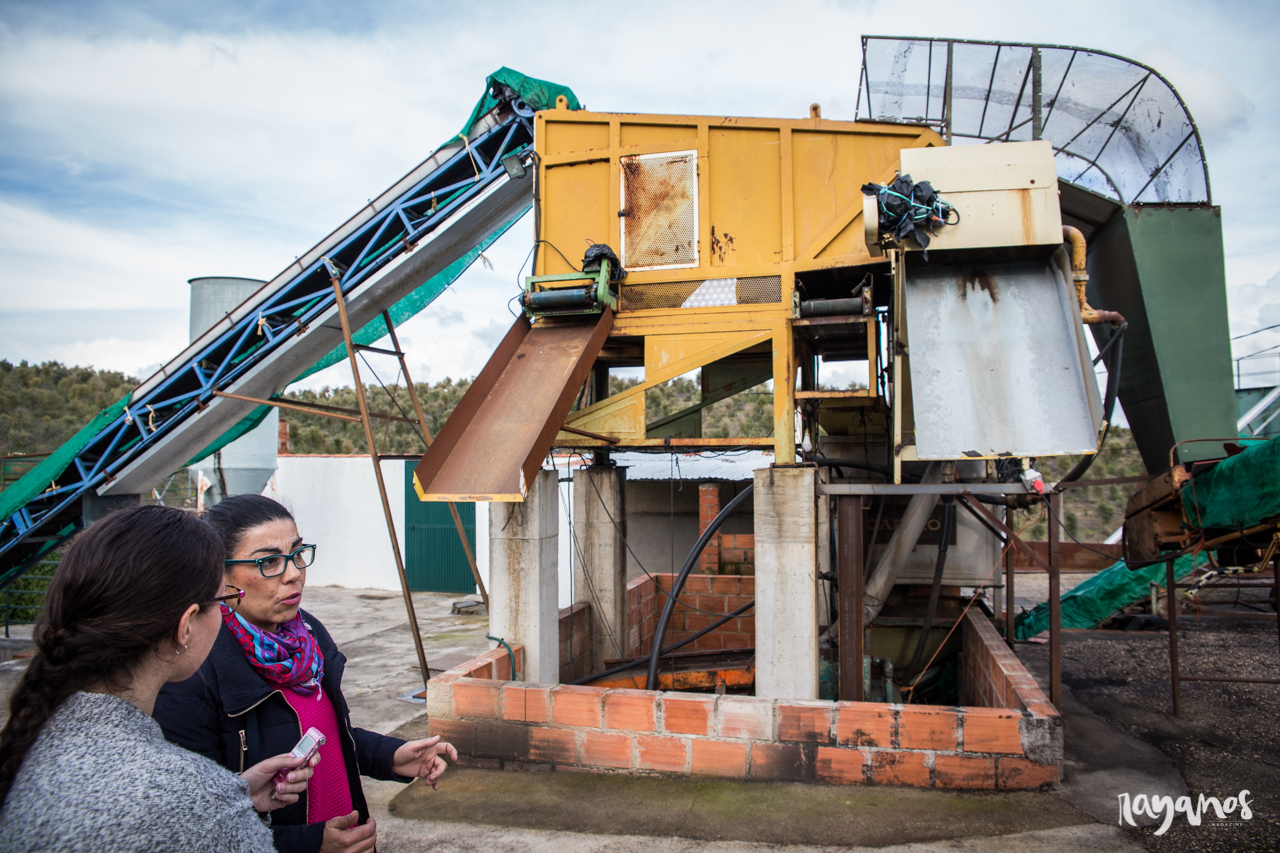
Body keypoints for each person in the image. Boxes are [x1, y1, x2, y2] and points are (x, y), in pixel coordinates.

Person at [0, 505, 318, 853]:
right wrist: (221, 811)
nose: (292, 574)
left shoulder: (35, 738)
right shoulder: (194, 798)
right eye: (222, 599)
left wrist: (236, 801)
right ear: (186, 626)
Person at [155, 494, 457, 853]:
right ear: (220, 575)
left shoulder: (307, 634)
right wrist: (310, 845)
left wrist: (391, 755)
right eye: (268, 562)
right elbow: (195, 827)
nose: (294, 573)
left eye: (297, 554)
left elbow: (323, 735)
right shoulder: (193, 674)